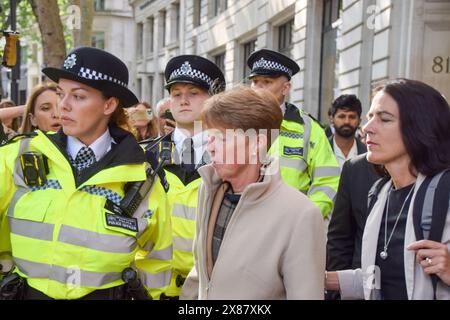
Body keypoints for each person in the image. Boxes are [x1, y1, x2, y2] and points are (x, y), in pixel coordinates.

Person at [0, 46, 172, 300]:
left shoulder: (142, 178)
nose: (63, 106)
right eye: (61, 93)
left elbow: (157, 262)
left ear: (109, 105)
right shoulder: (17, 157)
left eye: (78, 96)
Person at [180, 86, 326, 299]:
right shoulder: (208, 189)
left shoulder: (300, 215)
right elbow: (202, 274)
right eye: (209, 137)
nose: (210, 148)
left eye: (221, 138)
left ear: (257, 143)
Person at [326, 79, 450, 300]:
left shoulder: (444, 192)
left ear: (420, 126)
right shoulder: (379, 192)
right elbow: (378, 279)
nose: (367, 128)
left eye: (384, 119)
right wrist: (319, 279)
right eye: (370, 117)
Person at [151, 55, 225, 299]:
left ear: (213, 100)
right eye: (176, 93)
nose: (183, 100)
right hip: (154, 289)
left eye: (194, 93)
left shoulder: (232, 157)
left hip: (212, 289)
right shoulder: (144, 155)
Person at [247, 48, 340, 218]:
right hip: (243, 225)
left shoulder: (309, 128)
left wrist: (304, 218)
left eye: (267, 82)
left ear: (285, 88)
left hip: (291, 229)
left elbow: (328, 181)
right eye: (255, 82)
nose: (258, 88)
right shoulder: (234, 124)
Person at [326, 153, 379, 300]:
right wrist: (337, 294)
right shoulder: (355, 169)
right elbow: (340, 238)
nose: (367, 128)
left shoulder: (436, 179)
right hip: (357, 289)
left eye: (386, 127)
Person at [328, 94, 367, 169]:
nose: (347, 121)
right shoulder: (318, 151)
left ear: (359, 121)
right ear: (331, 119)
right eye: (341, 116)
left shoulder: (368, 154)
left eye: (352, 117)